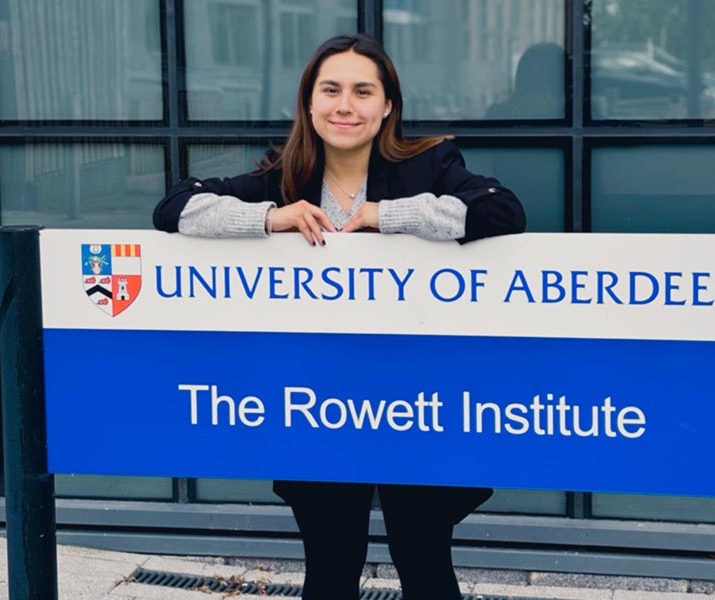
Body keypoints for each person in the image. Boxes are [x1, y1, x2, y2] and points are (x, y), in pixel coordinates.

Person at [153, 33, 525, 600]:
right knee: (330, 564)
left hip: (418, 404)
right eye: (330, 90)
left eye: (362, 91)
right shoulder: (283, 179)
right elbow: (176, 207)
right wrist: (269, 220)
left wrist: (388, 215)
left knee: (422, 558)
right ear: (309, 103)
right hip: (320, 406)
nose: (344, 105)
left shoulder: (430, 165)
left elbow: (502, 210)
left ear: (387, 106)